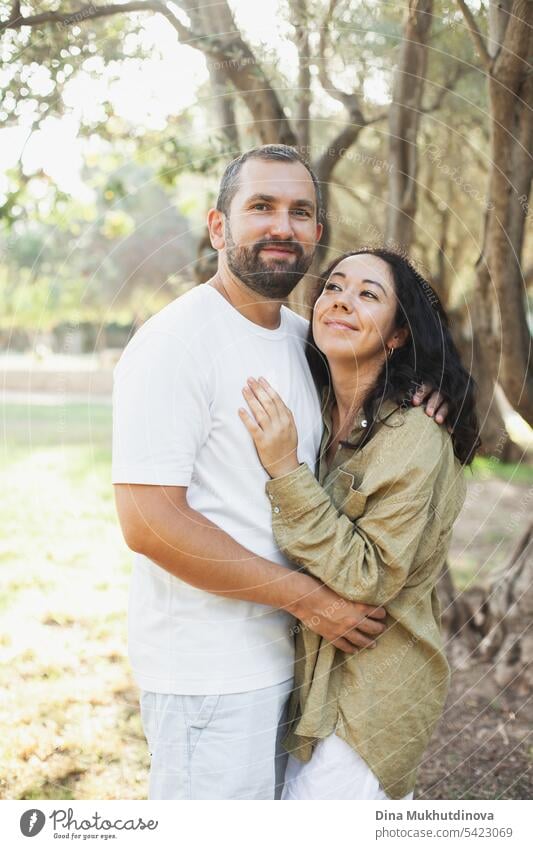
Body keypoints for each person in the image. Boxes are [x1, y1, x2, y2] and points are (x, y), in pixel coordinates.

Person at [112, 146, 447, 800]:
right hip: (207, 672)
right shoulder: (175, 342)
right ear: (218, 227)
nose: (281, 225)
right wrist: (311, 600)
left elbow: (364, 409)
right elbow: (150, 522)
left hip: (295, 671)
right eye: (260, 206)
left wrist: (421, 388)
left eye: (299, 211)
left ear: (316, 236)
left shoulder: (306, 339)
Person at [239, 248, 480, 800]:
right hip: (303, 688)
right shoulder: (317, 404)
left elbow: (370, 576)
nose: (342, 302)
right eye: (334, 287)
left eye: (368, 295)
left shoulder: (413, 433)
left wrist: (284, 469)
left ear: (397, 335)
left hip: (369, 697)